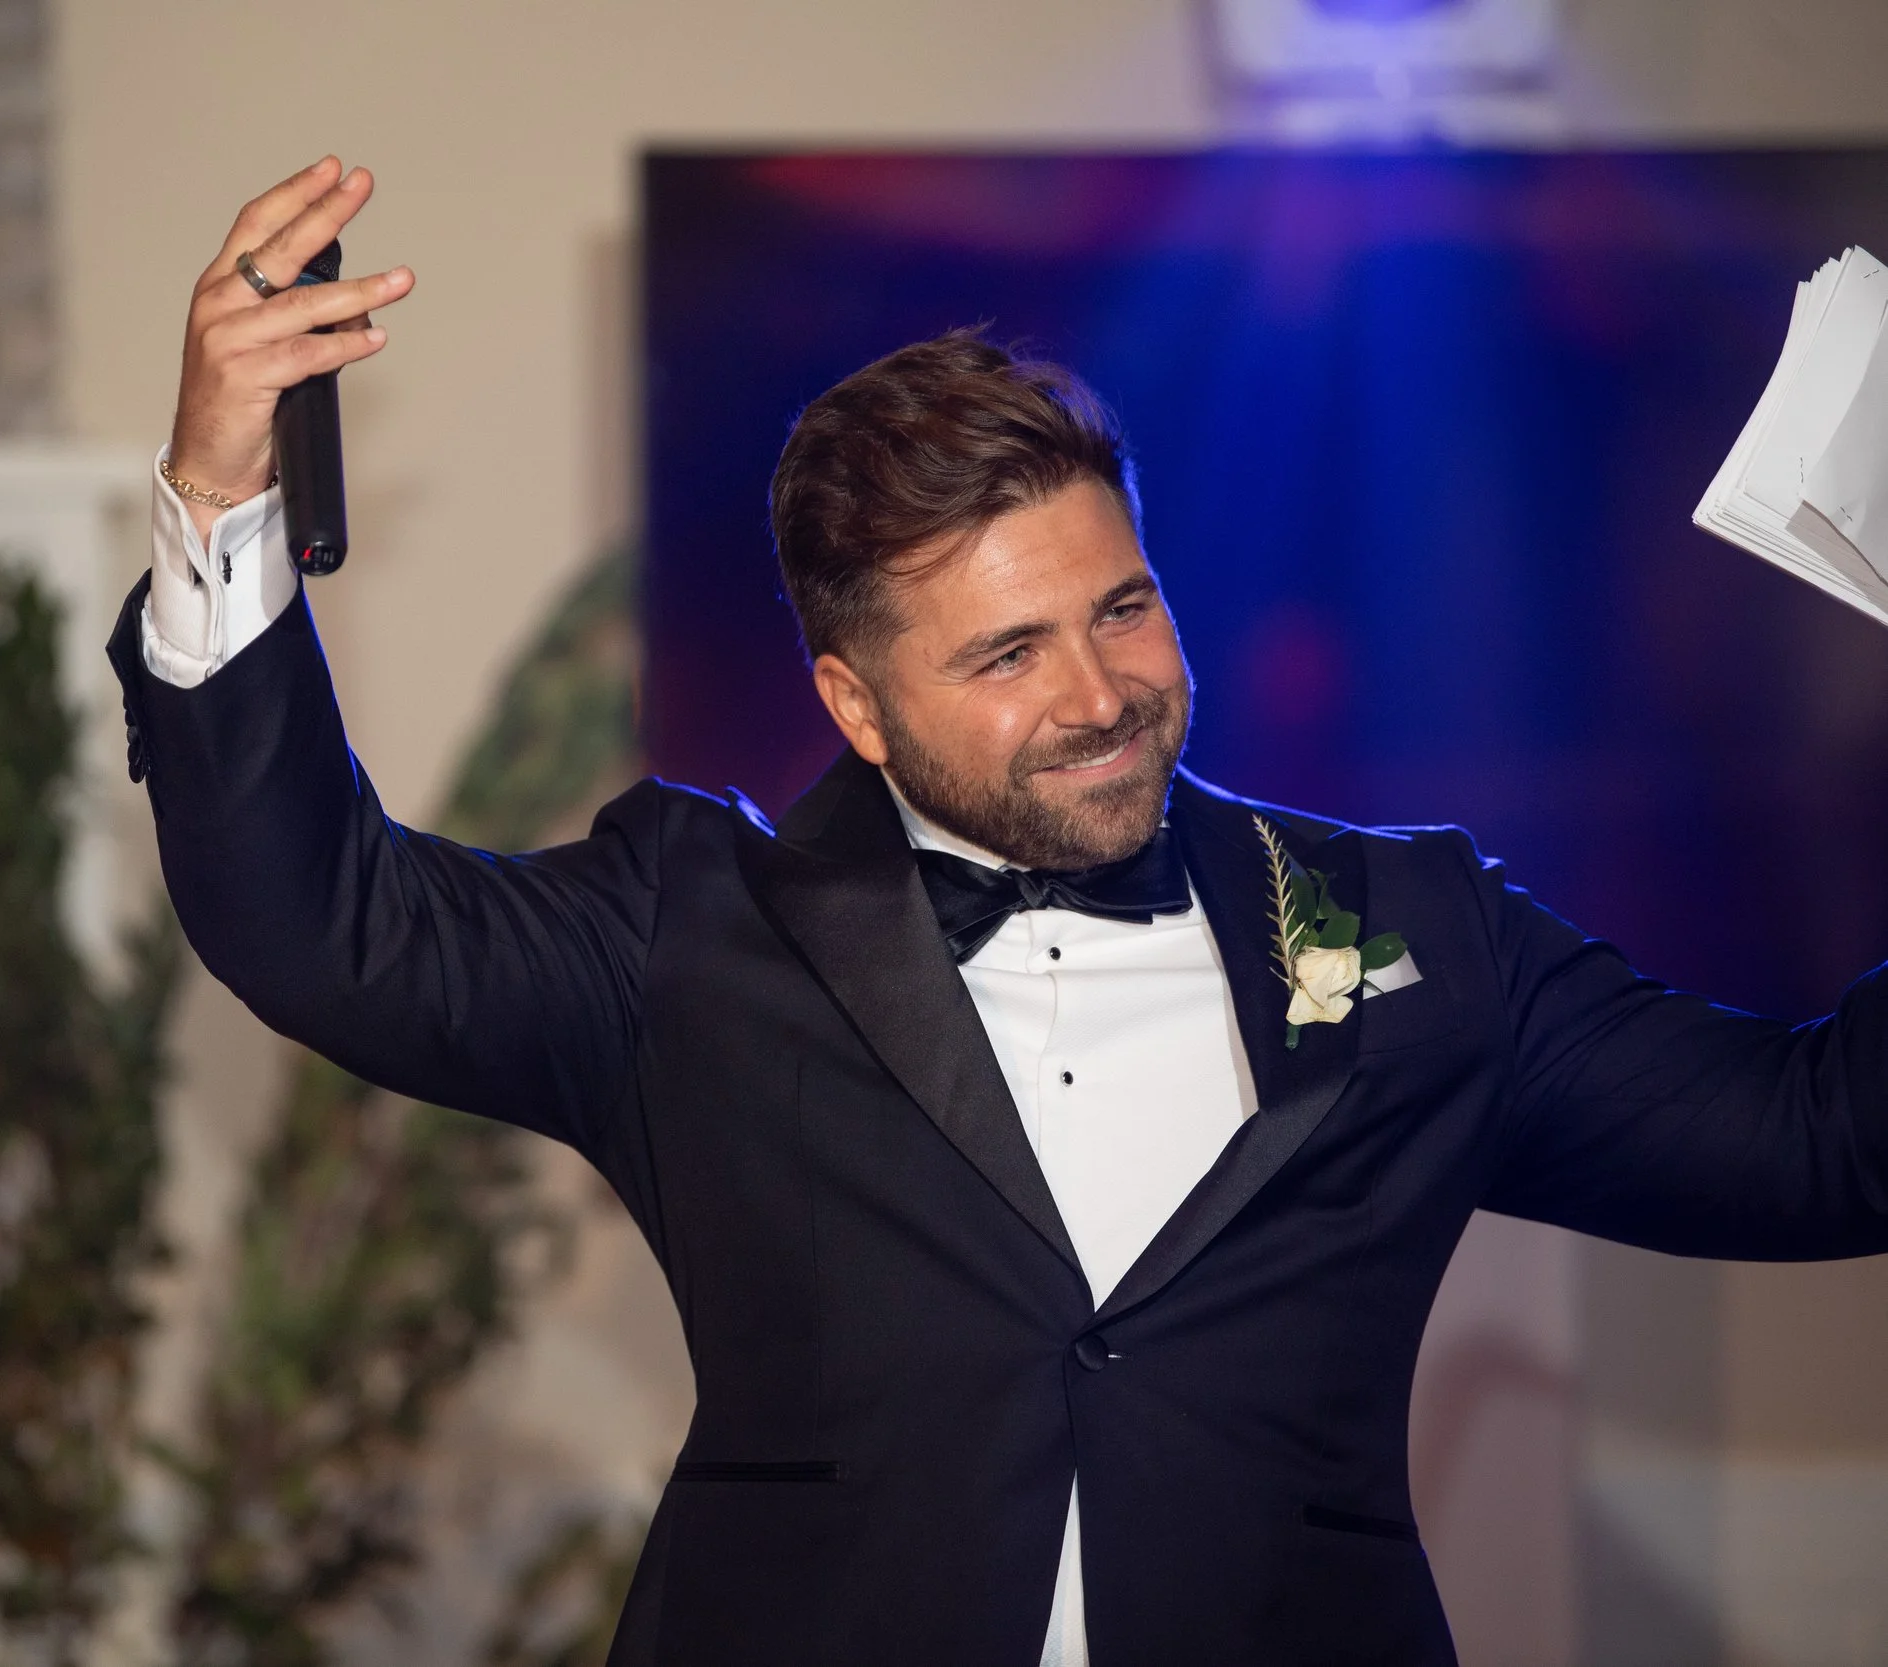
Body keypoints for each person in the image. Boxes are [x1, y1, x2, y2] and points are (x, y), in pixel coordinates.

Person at [108, 159, 1888, 1667]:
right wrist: (219, 496)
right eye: (1009, 653)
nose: (1102, 691)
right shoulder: (693, 927)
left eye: (1122, 608)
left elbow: (1826, 1144)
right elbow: (315, 924)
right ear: (855, 705)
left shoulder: (1409, 925)